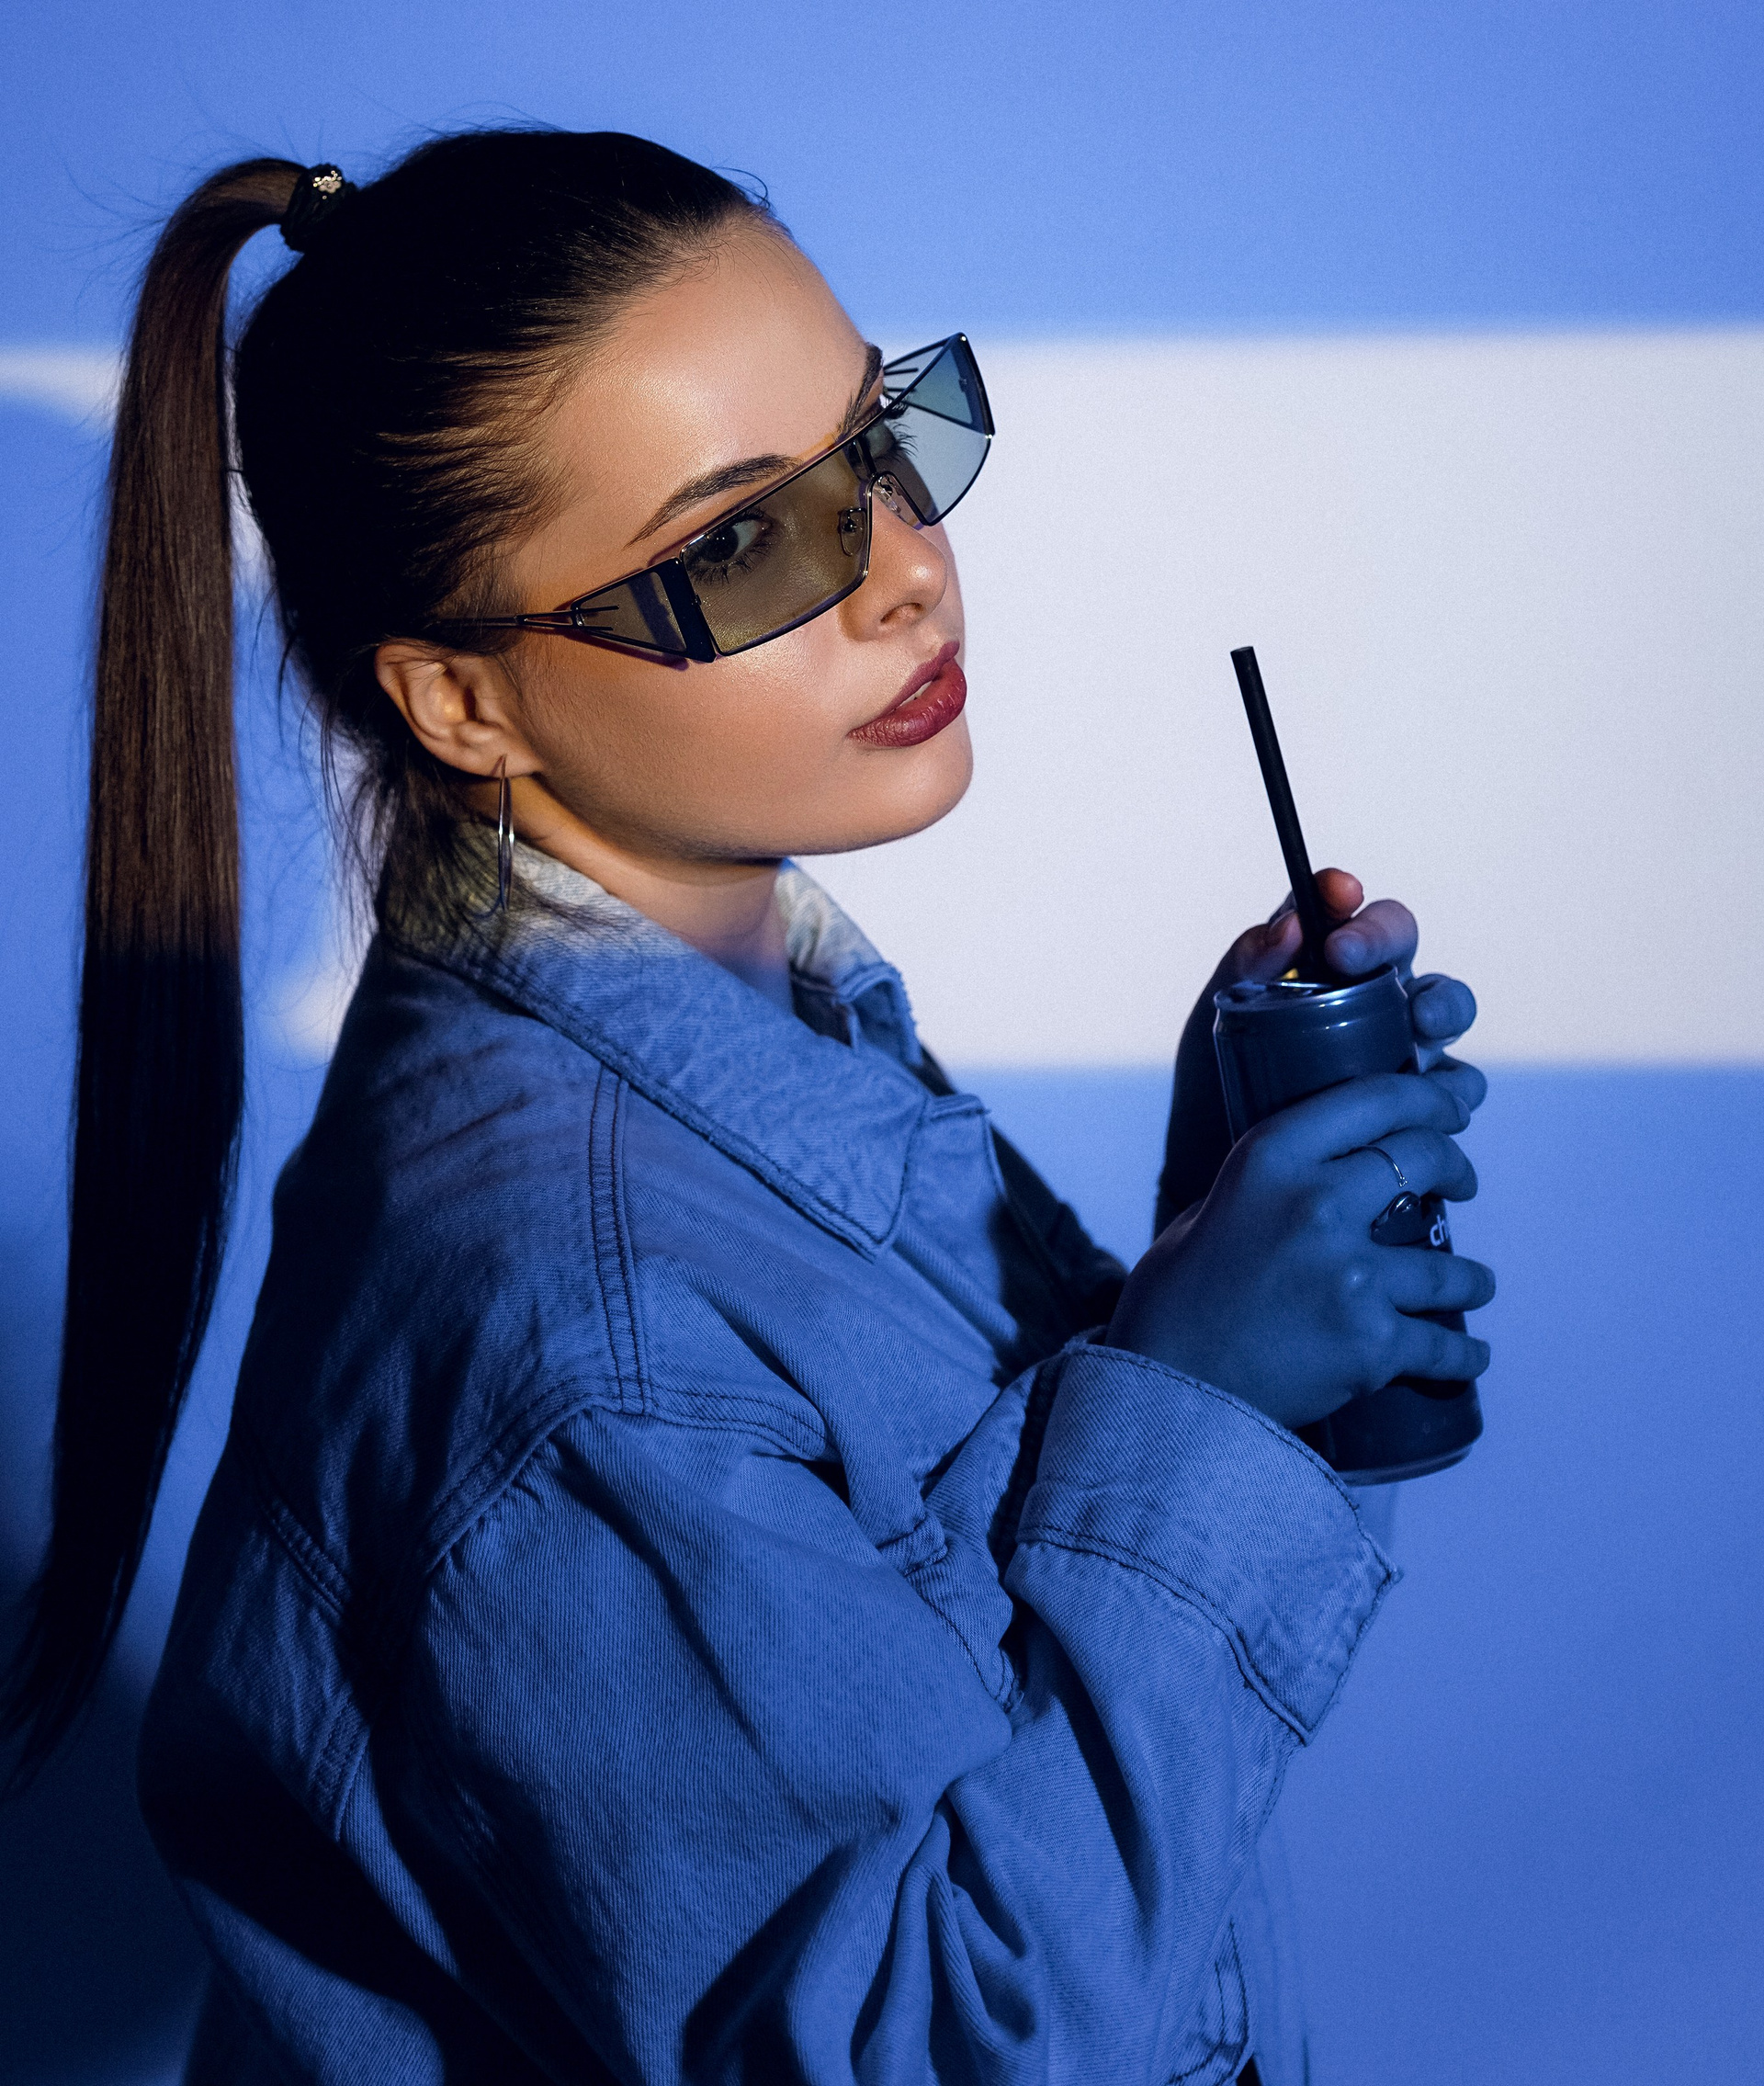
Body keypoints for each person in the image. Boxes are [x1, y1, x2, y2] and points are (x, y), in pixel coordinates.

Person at [2, 131, 1492, 2084]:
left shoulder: (761, 1024)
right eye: (737, 547)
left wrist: (1195, 1266)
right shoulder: (575, 1323)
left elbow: (960, 1679)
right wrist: (1193, 1408)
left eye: (882, 445)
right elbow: (945, 2044)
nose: (906, 572)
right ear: (462, 702)